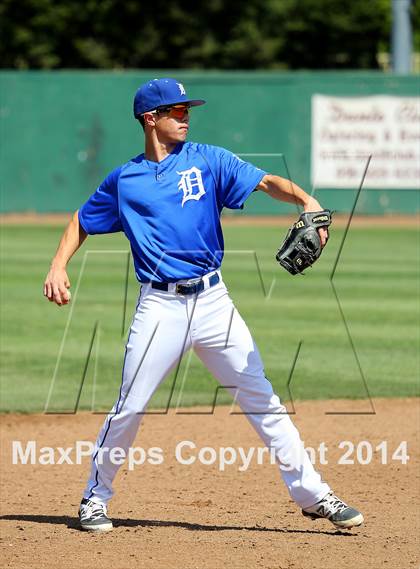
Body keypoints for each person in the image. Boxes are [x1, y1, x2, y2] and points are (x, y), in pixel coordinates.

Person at [44, 78, 363, 533]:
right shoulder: (125, 180)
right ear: (150, 119)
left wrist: (308, 201)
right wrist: (58, 266)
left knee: (262, 400)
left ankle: (314, 495)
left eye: (187, 109)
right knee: (130, 407)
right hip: (160, 307)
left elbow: (266, 181)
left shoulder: (207, 159)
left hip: (214, 303)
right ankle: (95, 499)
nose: (185, 116)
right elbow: (82, 219)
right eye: (175, 110)